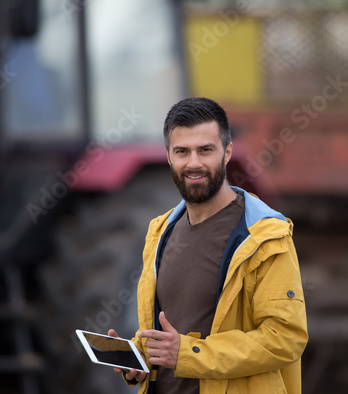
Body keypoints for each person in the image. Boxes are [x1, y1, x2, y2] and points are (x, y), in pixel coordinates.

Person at [108, 97, 308, 394]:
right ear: (168, 156)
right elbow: (173, 330)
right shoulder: (160, 233)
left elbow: (284, 338)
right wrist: (139, 357)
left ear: (227, 152)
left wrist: (186, 354)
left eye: (205, 150)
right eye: (182, 152)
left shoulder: (264, 236)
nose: (194, 163)